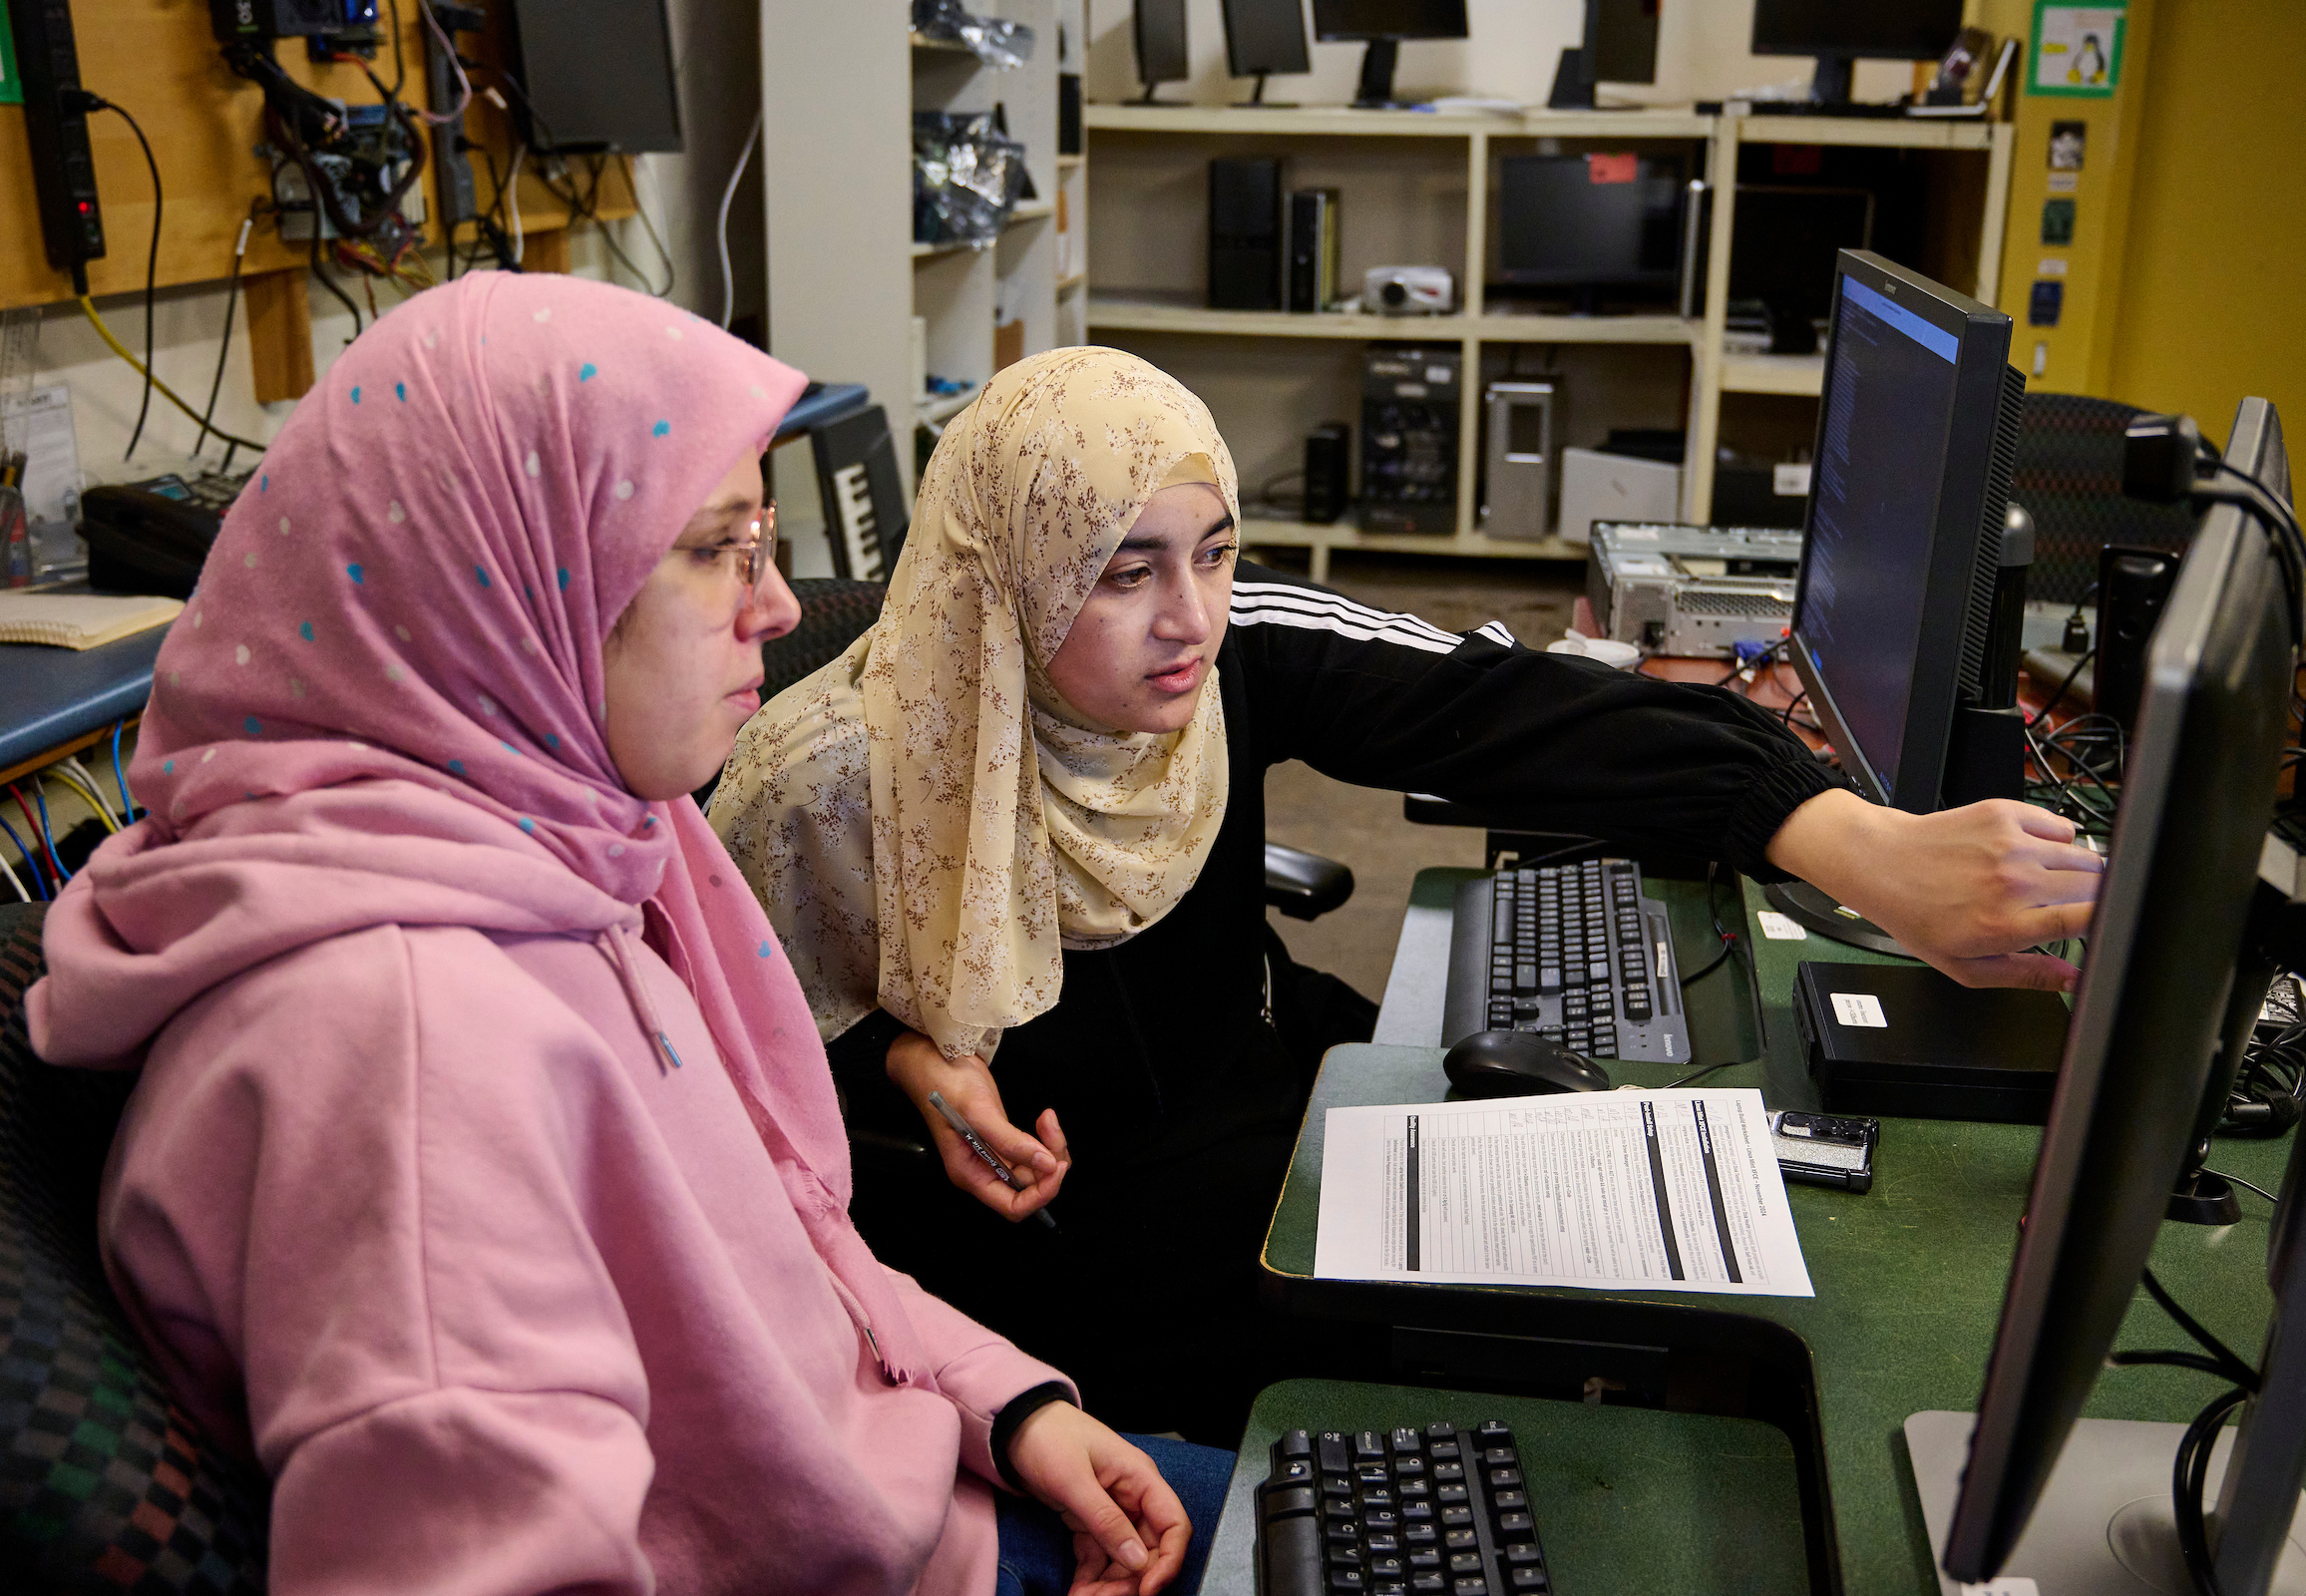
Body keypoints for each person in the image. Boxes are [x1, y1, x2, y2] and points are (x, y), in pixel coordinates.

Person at [29, 280, 1225, 1596]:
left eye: (764, 539)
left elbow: (786, 1244)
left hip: (931, 1476)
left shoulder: (580, 847)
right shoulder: (406, 1045)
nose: (773, 606)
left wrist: (1003, 1407)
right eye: (718, 547)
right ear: (512, 588)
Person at [708, 347, 2104, 1440]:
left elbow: (1487, 706)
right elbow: (722, 1090)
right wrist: (911, 1064)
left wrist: (1843, 838)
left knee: (1566, 1231)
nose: (1192, 617)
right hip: (1054, 1244)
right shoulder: (824, 778)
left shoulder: (1220, 648)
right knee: (1497, 1334)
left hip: (1254, 1091)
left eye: (1214, 549)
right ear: (1004, 581)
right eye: (1124, 575)